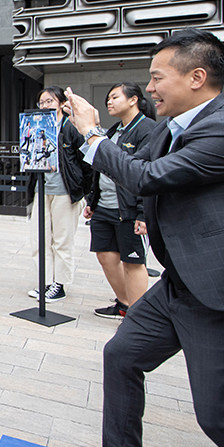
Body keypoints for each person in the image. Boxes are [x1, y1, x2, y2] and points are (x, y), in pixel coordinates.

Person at [59, 28, 224, 447]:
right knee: (122, 354)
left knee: (221, 416)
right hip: (179, 282)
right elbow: (128, 160)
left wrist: (90, 132)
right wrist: (91, 138)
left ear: (197, 77)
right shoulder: (172, 125)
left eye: (158, 77)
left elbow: (147, 177)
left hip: (219, 286)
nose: (150, 88)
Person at [84, 83, 157, 320]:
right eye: (108, 98)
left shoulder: (148, 130)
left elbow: (148, 174)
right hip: (104, 206)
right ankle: (125, 304)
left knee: (132, 262)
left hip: (129, 210)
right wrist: (92, 201)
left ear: (133, 99)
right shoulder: (115, 130)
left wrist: (143, 214)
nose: (109, 102)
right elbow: (99, 167)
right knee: (105, 255)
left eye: (115, 97)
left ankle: (137, 316)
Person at [26, 86, 91, 302]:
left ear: (62, 104)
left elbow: (86, 162)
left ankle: (60, 284)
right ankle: (45, 282)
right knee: (39, 238)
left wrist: (87, 194)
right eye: (42, 102)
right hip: (42, 190)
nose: (44, 106)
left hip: (65, 191)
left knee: (62, 240)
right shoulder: (35, 127)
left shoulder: (71, 127)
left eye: (49, 101)